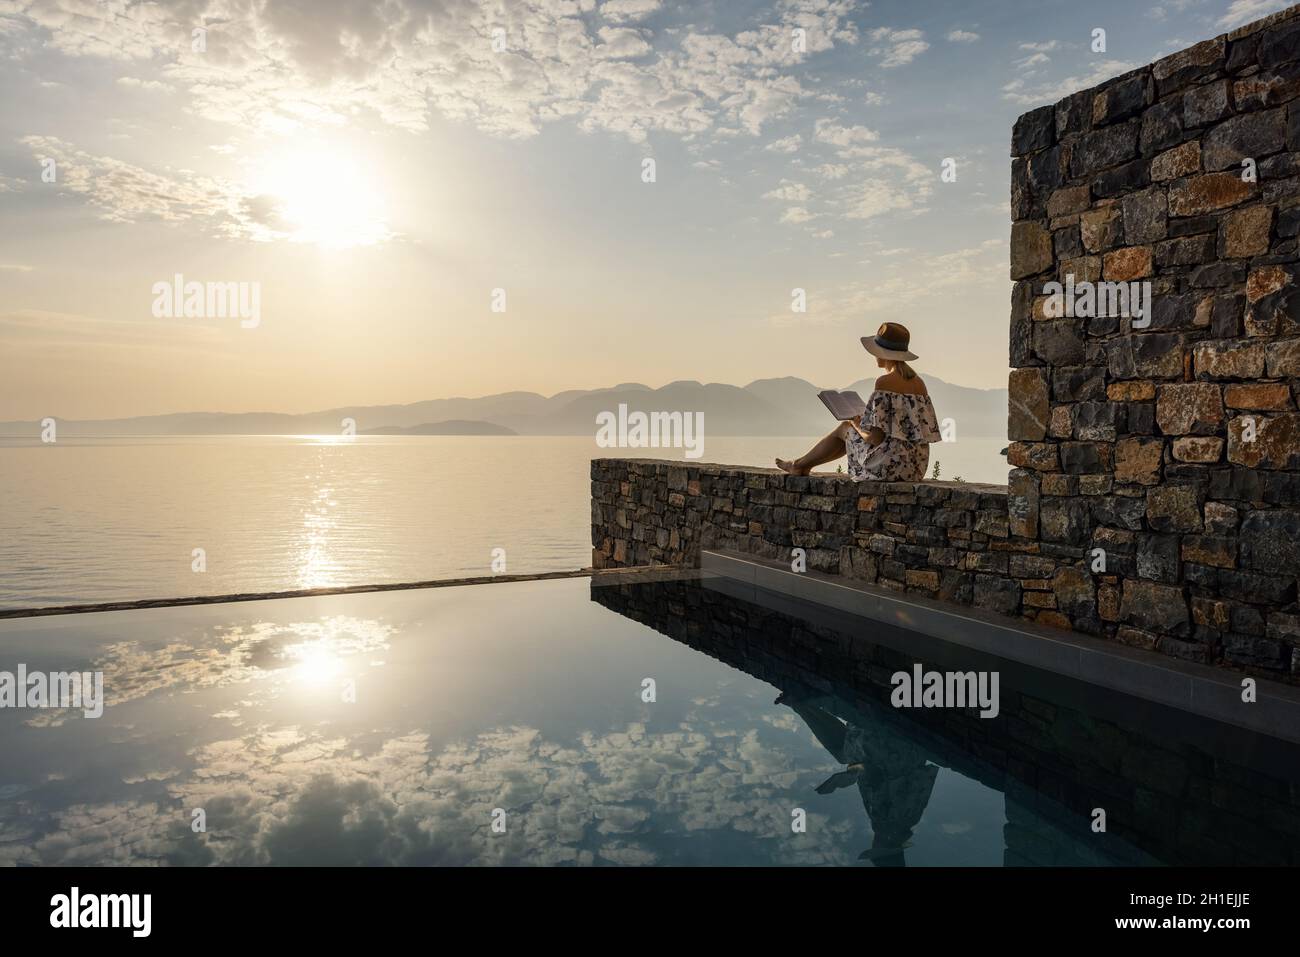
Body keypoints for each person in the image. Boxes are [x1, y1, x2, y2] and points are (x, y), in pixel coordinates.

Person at [776, 322, 941, 480]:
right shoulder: (920, 384)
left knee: (846, 427)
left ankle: (798, 464)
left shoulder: (884, 382)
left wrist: (856, 424)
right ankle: (803, 466)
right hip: (915, 468)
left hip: (888, 467)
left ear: (882, 352)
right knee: (850, 430)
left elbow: (875, 439)